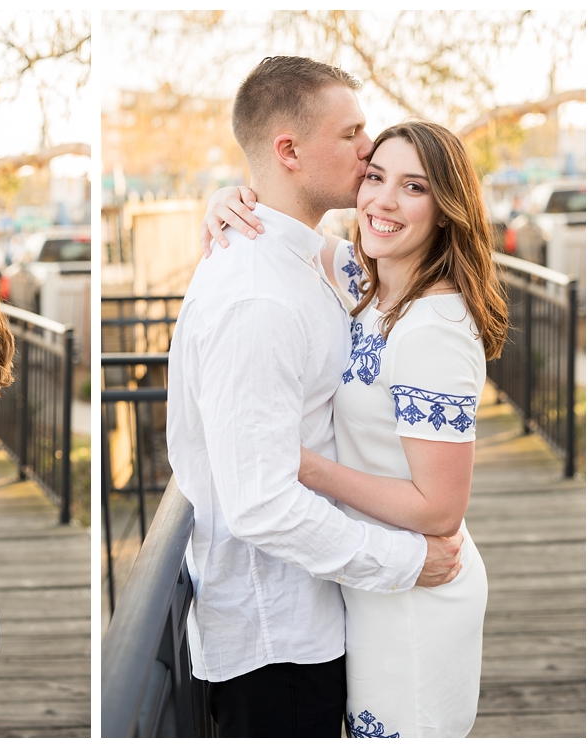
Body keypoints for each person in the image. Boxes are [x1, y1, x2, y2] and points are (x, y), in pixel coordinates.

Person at [166, 56, 466, 739]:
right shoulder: (257, 298)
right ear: (288, 150)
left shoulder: (303, 257)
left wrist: (227, 198)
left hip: (327, 608)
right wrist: (409, 561)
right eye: (352, 134)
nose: (368, 150)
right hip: (278, 640)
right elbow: (262, 503)